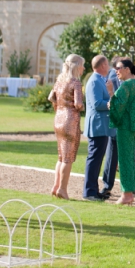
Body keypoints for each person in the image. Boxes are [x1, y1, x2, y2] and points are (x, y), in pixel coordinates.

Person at [105, 56, 135, 198]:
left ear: (127, 69)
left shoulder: (125, 85)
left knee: (124, 160)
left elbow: (117, 106)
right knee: (130, 159)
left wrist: (111, 93)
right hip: (133, 127)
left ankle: (126, 195)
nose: (116, 71)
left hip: (125, 127)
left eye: (118, 68)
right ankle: (129, 193)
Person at [49, 54, 84, 200]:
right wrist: (80, 105)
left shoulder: (60, 80)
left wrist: (58, 106)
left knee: (61, 156)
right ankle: (62, 189)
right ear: (77, 66)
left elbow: (51, 97)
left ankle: (56, 186)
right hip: (70, 120)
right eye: (82, 65)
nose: (84, 68)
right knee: (68, 158)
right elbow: (78, 104)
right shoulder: (75, 82)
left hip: (59, 118)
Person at [83, 55, 115, 201]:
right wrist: (111, 103)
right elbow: (96, 103)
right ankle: (89, 192)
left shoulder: (100, 80)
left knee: (97, 159)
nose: (108, 67)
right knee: (94, 159)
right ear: (102, 66)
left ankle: (94, 191)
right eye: (107, 64)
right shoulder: (95, 81)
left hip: (101, 125)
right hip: (97, 125)